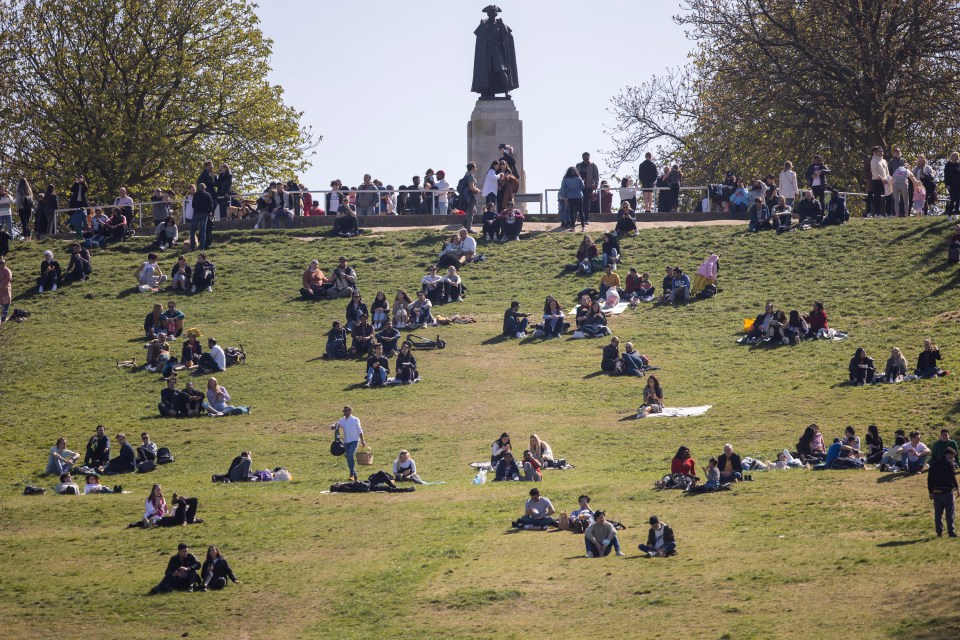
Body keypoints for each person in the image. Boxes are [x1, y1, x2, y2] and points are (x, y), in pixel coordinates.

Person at [331, 406, 366, 482]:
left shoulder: (355, 419)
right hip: (346, 442)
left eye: (346, 411)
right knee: (348, 457)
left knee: (350, 455)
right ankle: (354, 474)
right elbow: (336, 425)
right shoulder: (342, 420)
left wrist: (363, 441)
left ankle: (352, 474)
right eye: (344, 411)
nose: (345, 412)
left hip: (354, 440)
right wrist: (333, 426)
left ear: (350, 411)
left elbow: (360, 430)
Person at [560, 166, 586, 231]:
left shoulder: (565, 179)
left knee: (571, 212)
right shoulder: (578, 178)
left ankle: (573, 227)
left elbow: (564, 189)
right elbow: (582, 187)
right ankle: (583, 227)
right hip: (578, 196)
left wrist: (565, 198)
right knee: (580, 212)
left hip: (570, 197)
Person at [0, 258, 11, 324]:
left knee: (5, 305)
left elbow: (9, 278)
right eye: (0, 264)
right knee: (1, 305)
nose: (1, 265)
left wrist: (1, 284)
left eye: (2, 263)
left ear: (5, 264)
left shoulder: (7, 270)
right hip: (0, 291)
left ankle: (3, 320)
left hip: (5, 290)